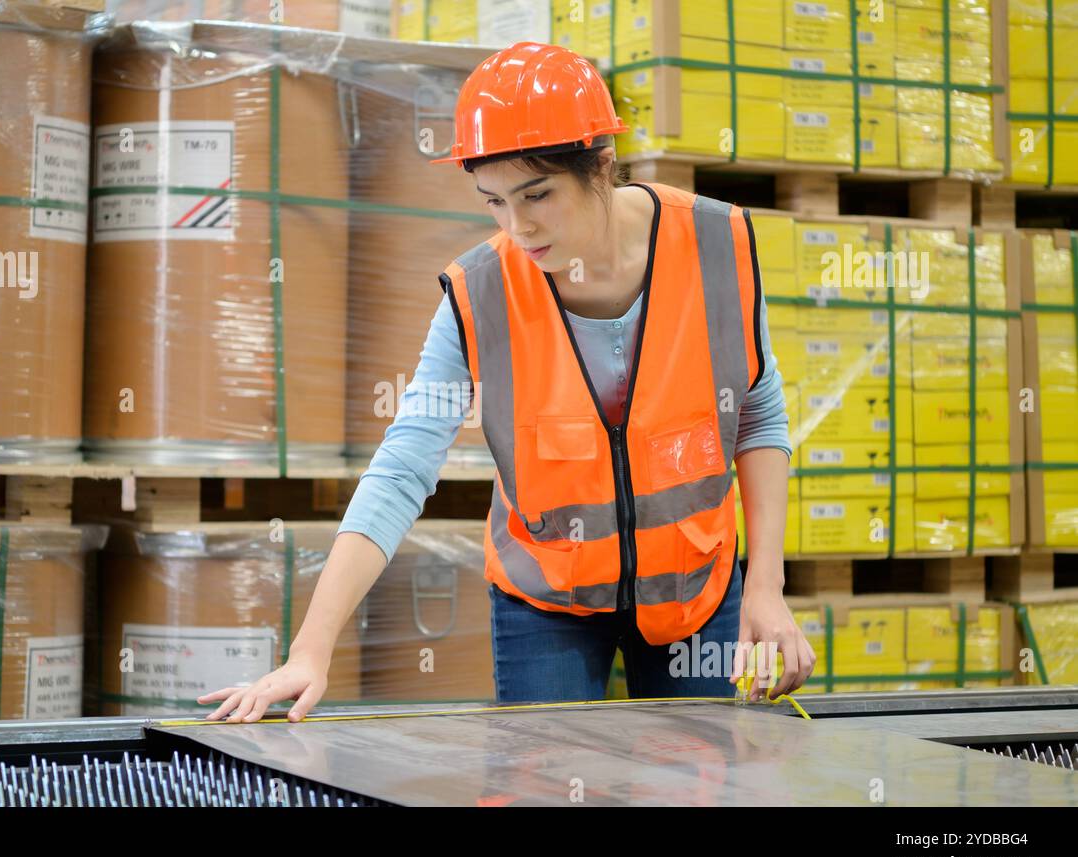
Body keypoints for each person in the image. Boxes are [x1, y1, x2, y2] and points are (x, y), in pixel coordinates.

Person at [199, 41, 814, 724]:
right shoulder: (480, 294)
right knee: (544, 785)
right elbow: (403, 467)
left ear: (601, 167)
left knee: (698, 784)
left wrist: (765, 583)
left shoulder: (715, 247)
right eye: (493, 200)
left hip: (694, 589)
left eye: (538, 194)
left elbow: (756, 411)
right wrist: (310, 651)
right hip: (545, 597)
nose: (517, 226)